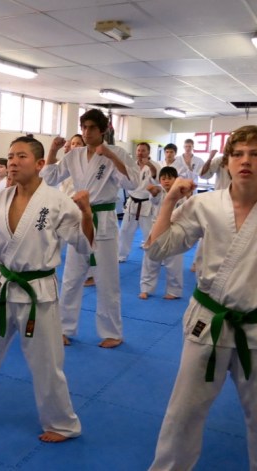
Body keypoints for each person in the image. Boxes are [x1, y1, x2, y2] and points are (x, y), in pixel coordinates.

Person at [146, 125, 257, 471]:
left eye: (255, 154)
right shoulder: (203, 204)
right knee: (182, 415)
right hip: (207, 322)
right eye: (238, 154)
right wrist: (169, 200)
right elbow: (159, 250)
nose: (245, 161)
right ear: (227, 162)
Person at [0, 135, 94, 442]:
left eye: (21, 157)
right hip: (1, 288)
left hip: (38, 292)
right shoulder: (1, 199)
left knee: (47, 364)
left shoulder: (57, 202)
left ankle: (62, 423)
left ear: (41, 164)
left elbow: (83, 246)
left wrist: (86, 214)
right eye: (10, 156)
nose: (13, 162)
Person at [41, 109, 140, 348]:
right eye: (83, 127)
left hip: (103, 220)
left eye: (91, 128)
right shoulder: (74, 155)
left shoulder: (117, 152)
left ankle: (112, 332)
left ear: (103, 129)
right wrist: (52, 151)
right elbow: (51, 177)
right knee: (72, 278)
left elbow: (132, 183)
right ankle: (64, 328)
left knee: (107, 280)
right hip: (79, 219)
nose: (86, 132)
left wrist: (111, 156)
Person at [139, 167, 182, 300]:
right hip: (157, 228)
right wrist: (153, 191)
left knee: (173, 262)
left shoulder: (182, 192)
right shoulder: (159, 191)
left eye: (170, 178)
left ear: (176, 179)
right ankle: (146, 289)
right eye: (163, 179)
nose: (166, 181)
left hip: (175, 229)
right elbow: (155, 195)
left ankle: (174, 291)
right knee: (150, 259)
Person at [60, 134, 96, 287]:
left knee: (84, 243)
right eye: (72, 144)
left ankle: (91, 274)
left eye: (77, 143)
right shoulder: (64, 164)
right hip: (65, 208)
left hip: (82, 208)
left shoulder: (87, 166)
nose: (74, 146)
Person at [118, 142, 161, 262]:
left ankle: (156, 256)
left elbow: (156, 179)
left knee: (149, 233)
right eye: (138, 150)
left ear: (148, 152)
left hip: (147, 203)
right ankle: (121, 255)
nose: (140, 153)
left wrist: (150, 165)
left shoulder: (155, 165)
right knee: (125, 231)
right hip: (132, 202)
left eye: (143, 150)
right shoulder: (131, 165)